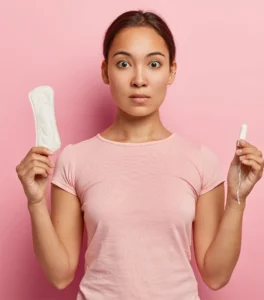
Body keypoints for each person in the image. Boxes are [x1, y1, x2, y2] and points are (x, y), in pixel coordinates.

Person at [16, 9, 263, 300]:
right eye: (123, 63)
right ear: (105, 71)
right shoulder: (74, 160)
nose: (139, 79)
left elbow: (216, 275)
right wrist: (34, 202)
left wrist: (237, 199)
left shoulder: (201, 161)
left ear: (171, 71)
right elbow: (60, 276)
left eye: (154, 64)